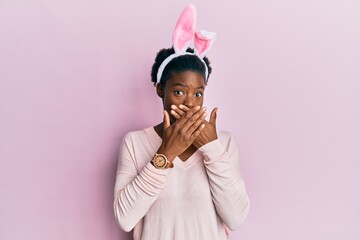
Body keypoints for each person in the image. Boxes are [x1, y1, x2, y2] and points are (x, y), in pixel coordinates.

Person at [113, 5, 250, 240]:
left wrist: (212, 149)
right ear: (160, 90)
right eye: (179, 92)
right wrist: (166, 153)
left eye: (198, 94)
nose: (190, 103)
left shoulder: (224, 143)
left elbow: (236, 218)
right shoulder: (134, 143)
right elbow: (125, 219)